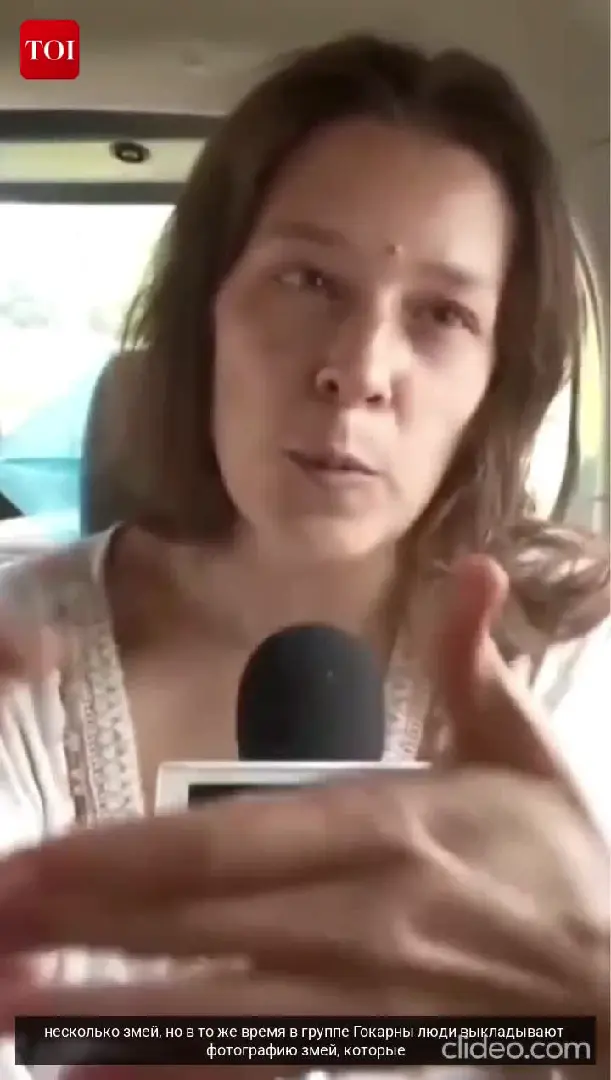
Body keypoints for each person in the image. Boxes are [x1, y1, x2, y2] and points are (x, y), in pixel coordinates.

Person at [0, 32, 608, 1079]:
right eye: (308, 279)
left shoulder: (576, 670)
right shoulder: (14, 661)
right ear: (207, 314)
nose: (358, 367)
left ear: (494, 382)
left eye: (442, 313)